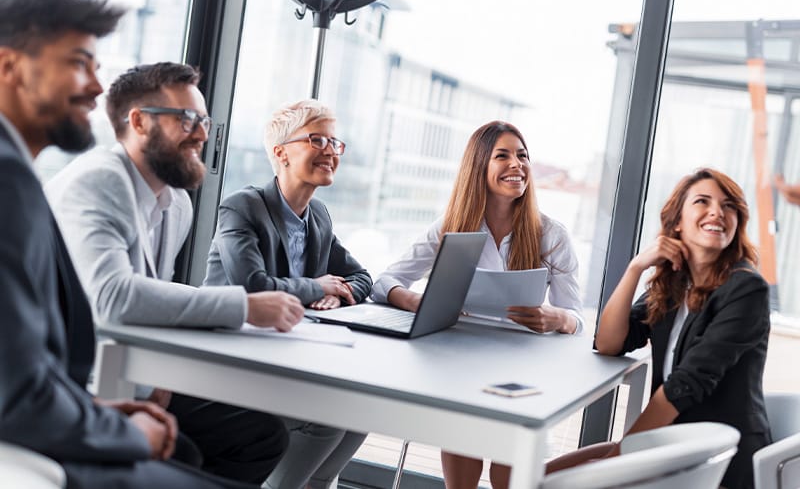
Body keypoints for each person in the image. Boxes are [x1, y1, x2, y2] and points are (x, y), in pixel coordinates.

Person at [0, 0, 260, 489]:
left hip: (49, 412)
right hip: (26, 451)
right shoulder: (11, 180)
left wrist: (98, 410)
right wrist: (126, 433)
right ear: (8, 67)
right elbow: (16, 393)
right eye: (79, 63)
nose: (98, 89)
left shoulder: (18, 174)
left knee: (231, 438)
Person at [45, 62, 306, 484]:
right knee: (223, 442)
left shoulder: (176, 202)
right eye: (186, 119)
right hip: (66, 381)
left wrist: (159, 375)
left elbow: (154, 298)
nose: (202, 133)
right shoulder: (98, 181)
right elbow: (113, 299)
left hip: (125, 369)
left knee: (260, 435)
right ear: (139, 121)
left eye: (203, 120)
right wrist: (244, 306)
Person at [372, 121, 585, 489]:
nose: (517, 164)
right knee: (463, 450)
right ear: (479, 166)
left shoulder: (552, 234)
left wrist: (557, 318)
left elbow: (578, 320)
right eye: (503, 155)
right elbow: (384, 283)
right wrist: (417, 300)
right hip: (461, 366)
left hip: (523, 372)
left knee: (508, 471)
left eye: (523, 156)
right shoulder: (450, 226)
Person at [551, 168, 771, 489]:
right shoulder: (673, 285)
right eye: (702, 201)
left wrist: (617, 458)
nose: (717, 212)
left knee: (574, 480)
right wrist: (635, 267)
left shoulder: (746, 289)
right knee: (545, 476)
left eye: (729, 206)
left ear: (737, 223)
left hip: (720, 458)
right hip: (672, 442)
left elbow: (686, 385)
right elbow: (610, 342)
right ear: (678, 221)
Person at [204, 99, 372, 489]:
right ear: (281, 153)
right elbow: (253, 285)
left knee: (362, 413)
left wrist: (337, 291)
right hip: (230, 360)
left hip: (282, 355)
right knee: (325, 420)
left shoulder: (319, 217)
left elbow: (362, 276)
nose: (330, 150)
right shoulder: (242, 207)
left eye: (335, 142)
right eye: (317, 139)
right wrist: (317, 286)